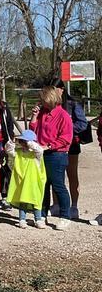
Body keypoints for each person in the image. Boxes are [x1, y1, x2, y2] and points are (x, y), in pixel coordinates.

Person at [29, 86, 73, 230]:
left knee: (58, 185)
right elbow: (33, 130)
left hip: (57, 155)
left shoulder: (63, 116)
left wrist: (49, 146)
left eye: (44, 101)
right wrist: (34, 116)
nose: (42, 103)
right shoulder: (43, 113)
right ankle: (42, 213)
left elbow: (66, 138)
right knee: (43, 184)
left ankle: (65, 216)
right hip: (42, 153)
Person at [53, 79, 88, 220]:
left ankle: (74, 206)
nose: (54, 92)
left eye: (55, 89)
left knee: (72, 175)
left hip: (72, 144)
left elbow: (83, 123)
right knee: (56, 176)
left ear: (62, 89)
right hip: (55, 145)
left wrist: (67, 130)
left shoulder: (73, 104)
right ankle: (56, 204)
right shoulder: (50, 105)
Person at [6, 131, 46, 229]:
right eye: (22, 141)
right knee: (23, 201)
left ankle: (38, 219)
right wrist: (12, 142)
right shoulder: (18, 153)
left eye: (24, 141)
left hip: (34, 183)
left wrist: (30, 143)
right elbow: (9, 151)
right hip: (21, 183)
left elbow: (40, 150)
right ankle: (22, 219)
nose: (23, 143)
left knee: (36, 202)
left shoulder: (35, 155)